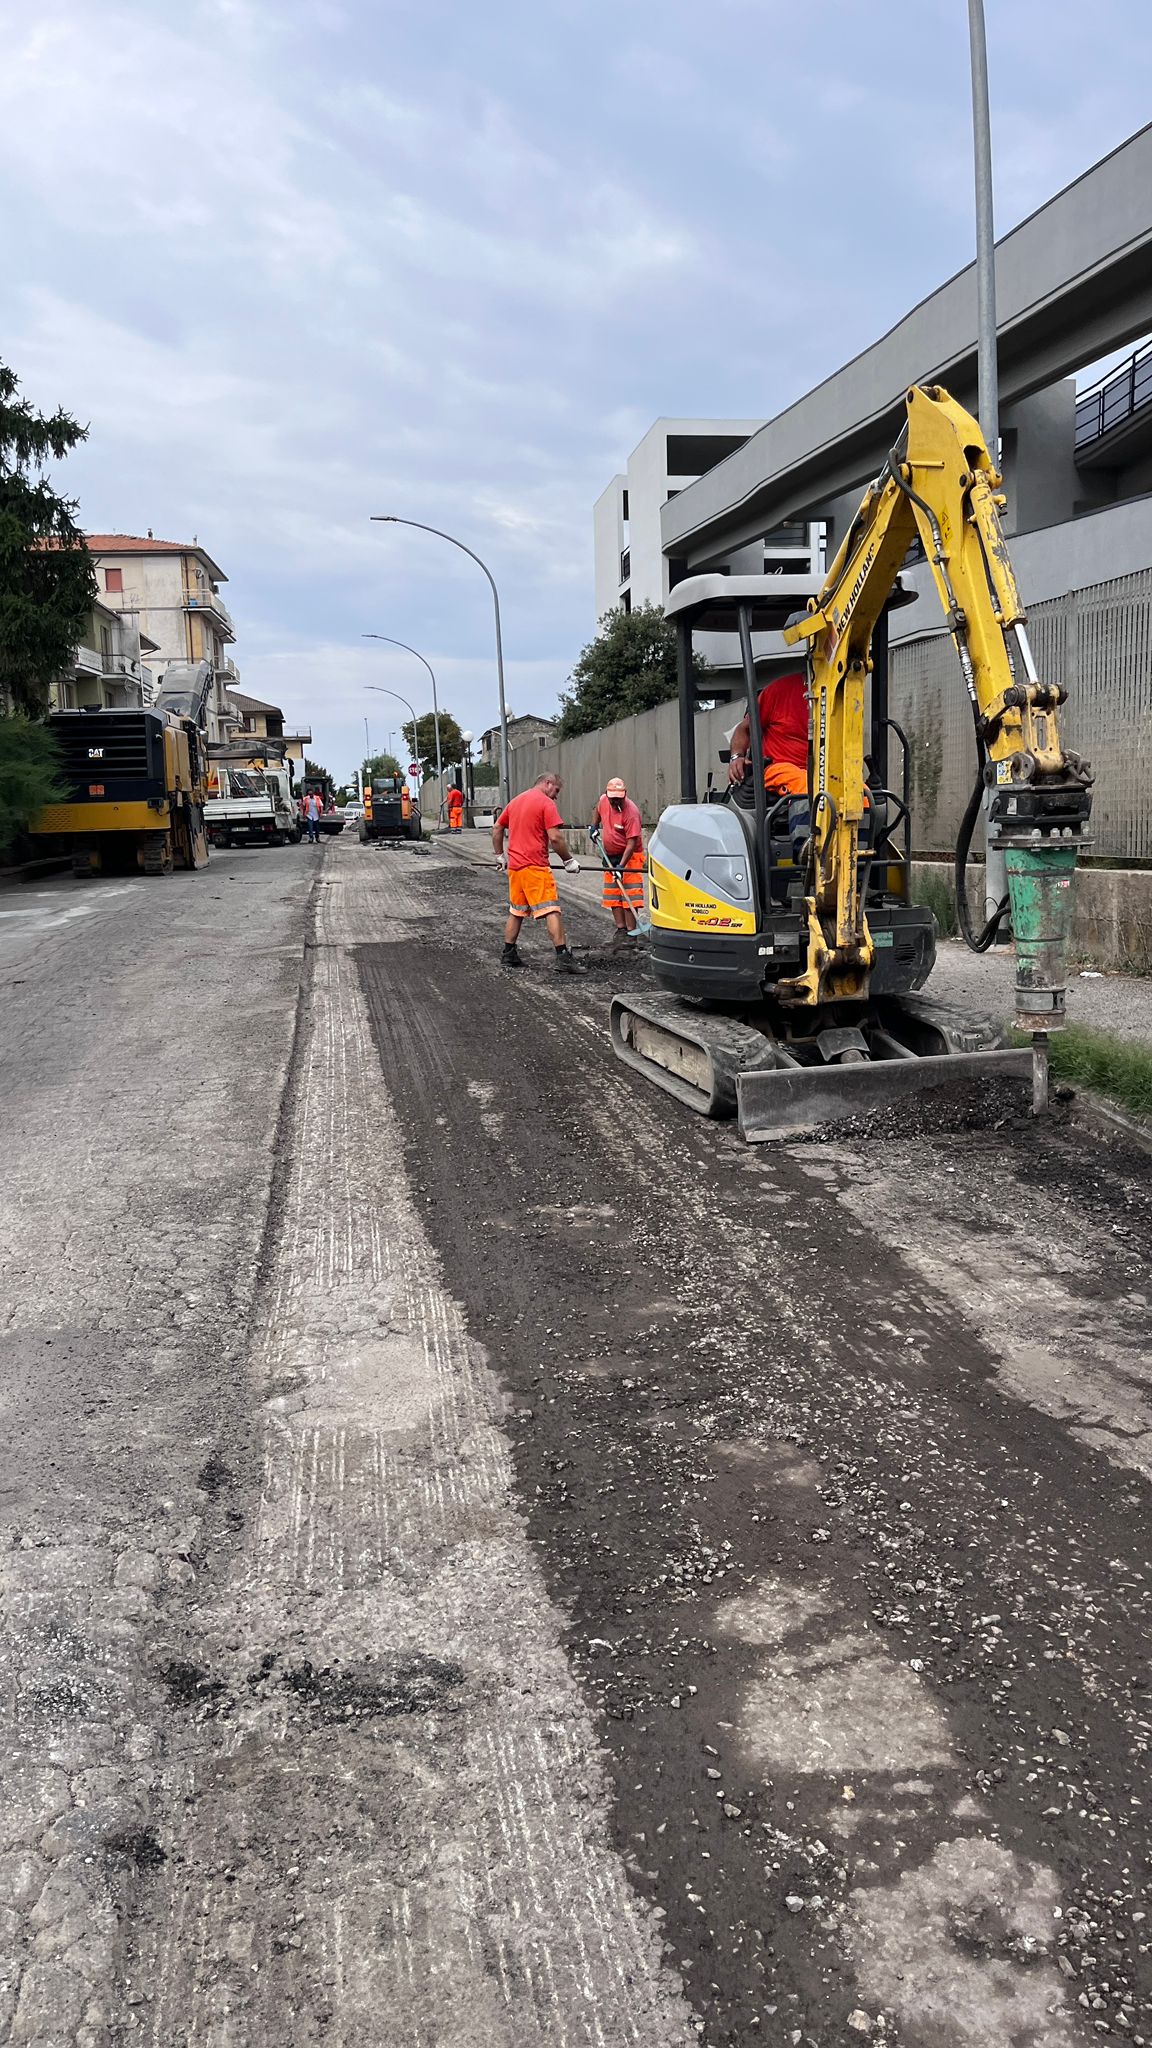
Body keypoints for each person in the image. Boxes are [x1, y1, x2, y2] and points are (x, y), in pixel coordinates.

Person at [492, 773, 584, 974]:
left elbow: (497, 827)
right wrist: (568, 860)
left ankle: (508, 954)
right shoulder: (545, 803)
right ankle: (563, 957)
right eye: (556, 790)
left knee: (516, 912)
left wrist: (499, 855)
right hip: (535, 867)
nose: (556, 796)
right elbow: (555, 838)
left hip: (516, 869)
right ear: (547, 783)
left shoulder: (516, 801)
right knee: (551, 909)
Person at [727, 666, 810, 797]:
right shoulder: (779, 691)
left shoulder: (840, 696)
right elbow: (744, 729)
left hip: (825, 771)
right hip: (779, 769)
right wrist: (736, 757)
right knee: (809, 786)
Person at [588, 777, 644, 948]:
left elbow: (632, 843)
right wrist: (594, 826)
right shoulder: (603, 801)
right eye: (612, 798)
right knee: (613, 895)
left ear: (624, 795)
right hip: (610, 856)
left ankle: (631, 934)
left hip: (630, 857)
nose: (615, 802)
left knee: (630, 896)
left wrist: (621, 866)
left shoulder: (631, 812)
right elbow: (597, 810)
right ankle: (621, 931)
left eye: (619, 798)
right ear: (607, 795)